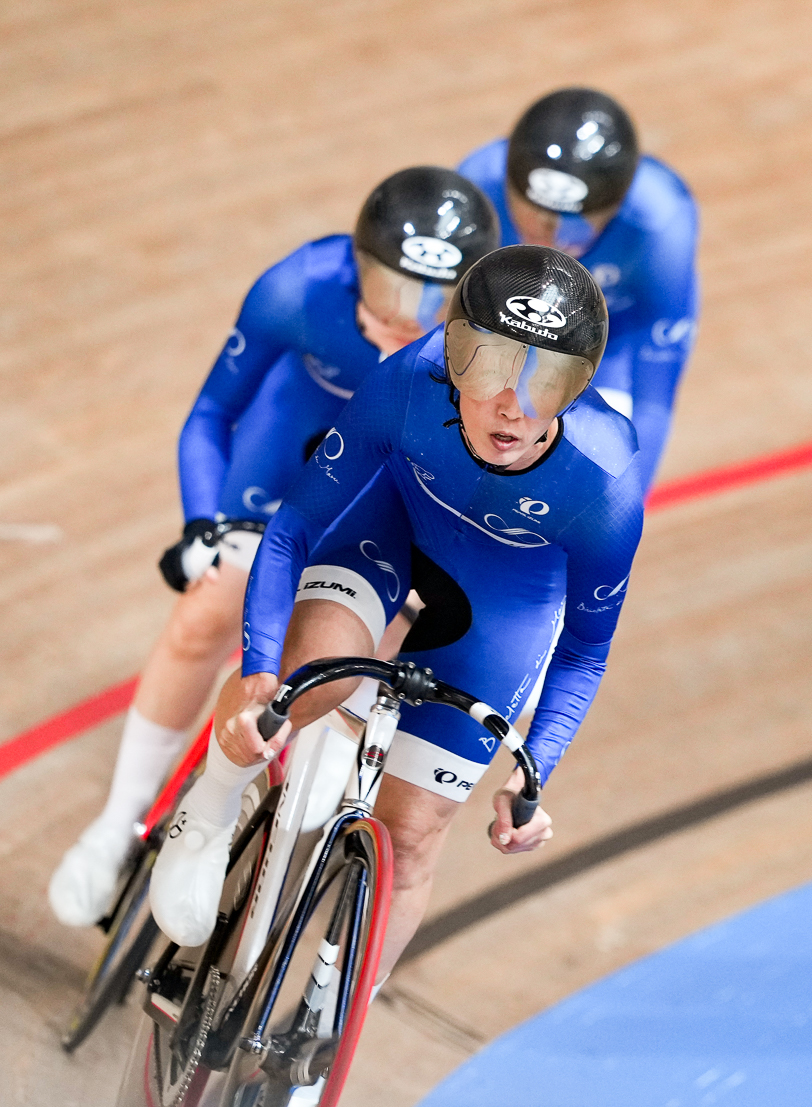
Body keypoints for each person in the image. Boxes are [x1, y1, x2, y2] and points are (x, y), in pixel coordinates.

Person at [147, 244, 646, 977]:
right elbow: (292, 529)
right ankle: (210, 808)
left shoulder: (604, 484)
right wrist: (259, 671)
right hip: (386, 536)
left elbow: (583, 651)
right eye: (492, 364)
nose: (513, 403)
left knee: (410, 837)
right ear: (453, 353)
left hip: (502, 610)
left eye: (546, 378)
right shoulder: (409, 382)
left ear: (581, 387)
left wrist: (534, 769)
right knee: (316, 682)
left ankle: (324, 1033)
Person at [47, 167, 499, 927]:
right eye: (390, 290)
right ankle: (116, 824)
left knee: (376, 647)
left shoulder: (481, 357)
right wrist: (202, 525)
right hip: (288, 455)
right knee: (211, 604)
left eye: (430, 301)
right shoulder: (300, 287)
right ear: (356, 264)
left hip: (385, 489)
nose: (404, 317)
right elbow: (214, 413)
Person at [459, 87, 698, 485]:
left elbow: (654, 390)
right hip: (505, 324)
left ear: (618, 206)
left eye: (575, 222)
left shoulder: (661, 224)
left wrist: (626, 498)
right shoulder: (477, 185)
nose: (549, 235)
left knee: (601, 468)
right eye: (532, 213)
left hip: (616, 333)